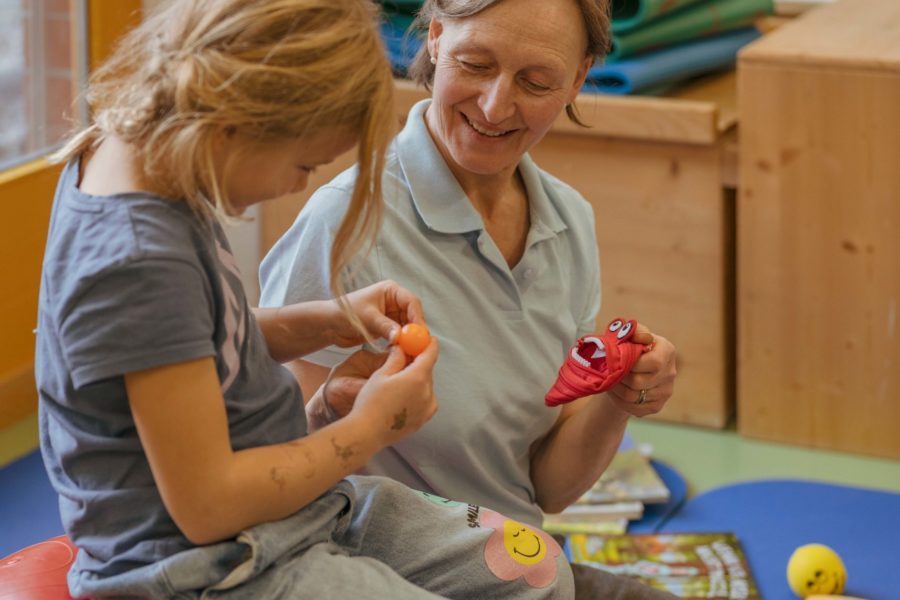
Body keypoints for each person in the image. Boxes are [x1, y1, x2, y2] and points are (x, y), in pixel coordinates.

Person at [35, 0, 575, 597]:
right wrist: (371, 429)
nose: (299, 184)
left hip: (287, 515)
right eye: (304, 163)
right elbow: (208, 507)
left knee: (534, 571)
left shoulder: (149, 159)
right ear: (243, 115)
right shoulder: (137, 260)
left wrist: (327, 320)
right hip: (203, 566)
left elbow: (193, 339)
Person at [260, 0, 678, 597]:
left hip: (517, 563)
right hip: (375, 569)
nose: (494, 106)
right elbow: (282, 482)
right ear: (433, 39)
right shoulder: (343, 221)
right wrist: (341, 411)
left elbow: (548, 489)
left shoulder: (568, 220)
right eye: (475, 64)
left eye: (536, 82)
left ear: (580, 78)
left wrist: (620, 396)